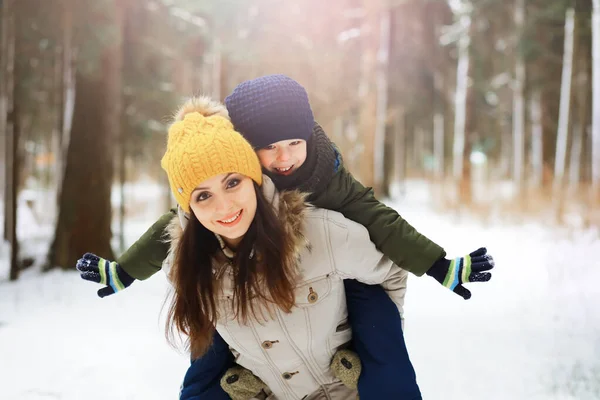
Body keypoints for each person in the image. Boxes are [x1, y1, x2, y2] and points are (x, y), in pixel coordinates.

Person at [77, 76, 495, 399]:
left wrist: (440, 265)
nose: (284, 158)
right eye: (269, 147)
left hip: (342, 271)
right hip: (244, 282)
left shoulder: (325, 176)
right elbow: (173, 227)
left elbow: (379, 220)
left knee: (379, 332)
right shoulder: (218, 202)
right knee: (208, 343)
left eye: (294, 142)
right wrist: (123, 272)